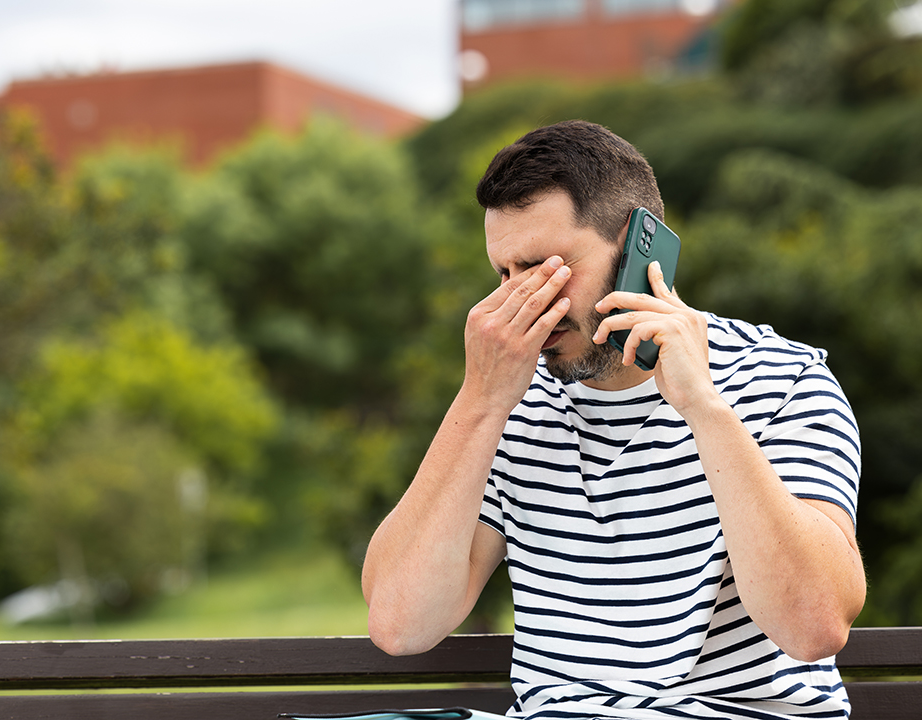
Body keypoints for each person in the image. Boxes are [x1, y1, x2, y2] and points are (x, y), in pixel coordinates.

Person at [360, 120, 866, 720]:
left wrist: (704, 409)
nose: (527, 303)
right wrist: (479, 402)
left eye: (545, 267)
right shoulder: (509, 404)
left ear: (638, 247)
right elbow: (398, 624)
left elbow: (815, 626)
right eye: (505, 275)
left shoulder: (781, 379)